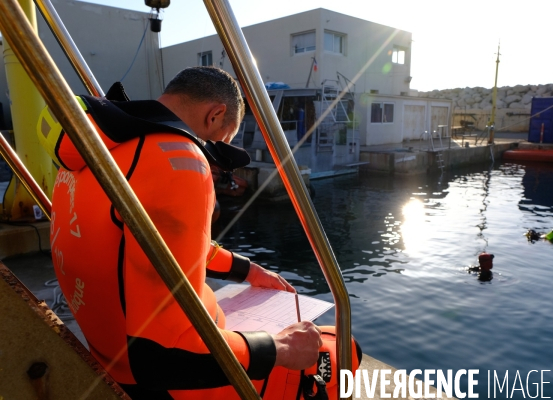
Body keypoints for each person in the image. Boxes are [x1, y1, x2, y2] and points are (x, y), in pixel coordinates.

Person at [45, 67, 359, 399]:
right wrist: (278, 348)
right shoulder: (178, 160)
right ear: (216, 115)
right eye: (221, 143)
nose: (213, 158)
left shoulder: (98, 149)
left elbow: (162, 247)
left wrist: (250, 270)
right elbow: (162, 355)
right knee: (340, 352)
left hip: (108, 355)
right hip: (167, 382)